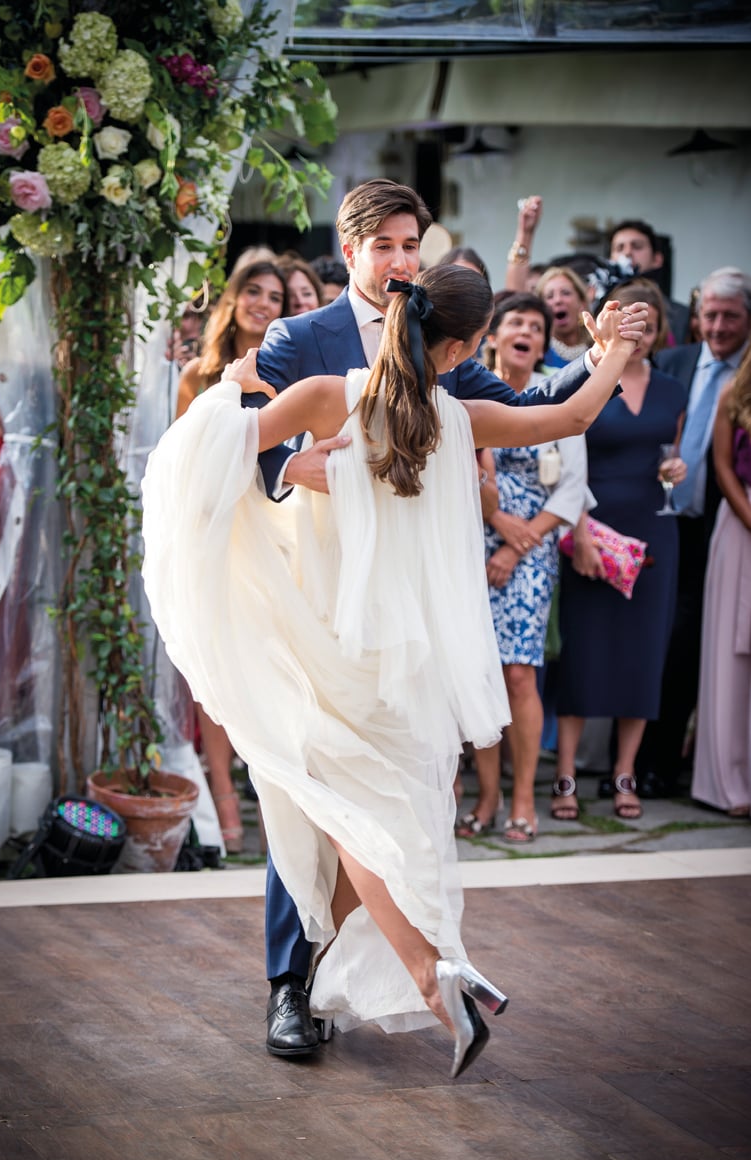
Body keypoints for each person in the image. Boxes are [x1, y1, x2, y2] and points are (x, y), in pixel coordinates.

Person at [141, 264, 646, 1076]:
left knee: (346, 822)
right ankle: (347, 982)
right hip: (416, 662)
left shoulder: (323, 397)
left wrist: (234, 391)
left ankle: (430, 972)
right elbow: (575, 412)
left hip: (328, 643)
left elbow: (201, 464)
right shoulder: (464, 419)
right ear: (462, 347)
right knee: (368, 818)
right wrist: (613, 349)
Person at [453, 292, 589, 842]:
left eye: (536, 324)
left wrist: (515, 542)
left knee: (518, 674)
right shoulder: (469, 386)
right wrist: (495, 526)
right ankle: (486, 796)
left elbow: (573, 488)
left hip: (531, 552)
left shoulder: (556, 396)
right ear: (493, 334)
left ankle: (525, 796)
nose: (526, 330)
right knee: (478, 674)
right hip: (467, 544)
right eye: (515, 322)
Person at [554, 279, 688, 819]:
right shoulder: (590, 377)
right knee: (584, 651)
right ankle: (564, 777)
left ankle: (624, 773)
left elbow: (671, 451)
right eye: (632, 321)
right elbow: (564, 451)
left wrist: (676, 467)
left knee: (643, 652)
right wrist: (579, 529)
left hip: (654, 530)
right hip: (592, 524)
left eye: (649, 324)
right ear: (613, 322)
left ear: (658, 331)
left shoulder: (675, 390)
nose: (641, 331)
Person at [176, 259, 289, 851]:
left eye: (275, 295)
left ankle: (271, 790)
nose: (263, 303)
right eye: (254, 291)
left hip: (276, 522)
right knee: (218, 664)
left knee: (270, 664)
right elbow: (182, 458)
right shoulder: (198, 373)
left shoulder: (292, 368)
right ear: (235, 299)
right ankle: (222, 787)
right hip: (217, 525)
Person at [638, 267, 751, 798]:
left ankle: (681, 763)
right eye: (710, 314)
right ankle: (650, 763)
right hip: (662, 522)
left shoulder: (746, 373)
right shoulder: (675, 362)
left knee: (701, 646)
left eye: (731, 315)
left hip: (718, 527)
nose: (719, 325)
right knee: (664, 642)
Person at [692, 346, 751, 815]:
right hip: (740, 524)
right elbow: (724, 467)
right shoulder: (734, 392)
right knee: (731, 651)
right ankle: (728, 782)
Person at [607, 218, 690, 345]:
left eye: (637, 246)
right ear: (611, 259)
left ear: (657, 259)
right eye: (619, 248)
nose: (627, 252)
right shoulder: (599, 310)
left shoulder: (682, 316)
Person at [536, 265, 593, 367]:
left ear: (582, 303)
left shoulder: (599, 348)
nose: (558, 300)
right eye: (549, 296)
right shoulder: (536, 352)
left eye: (566, 293)